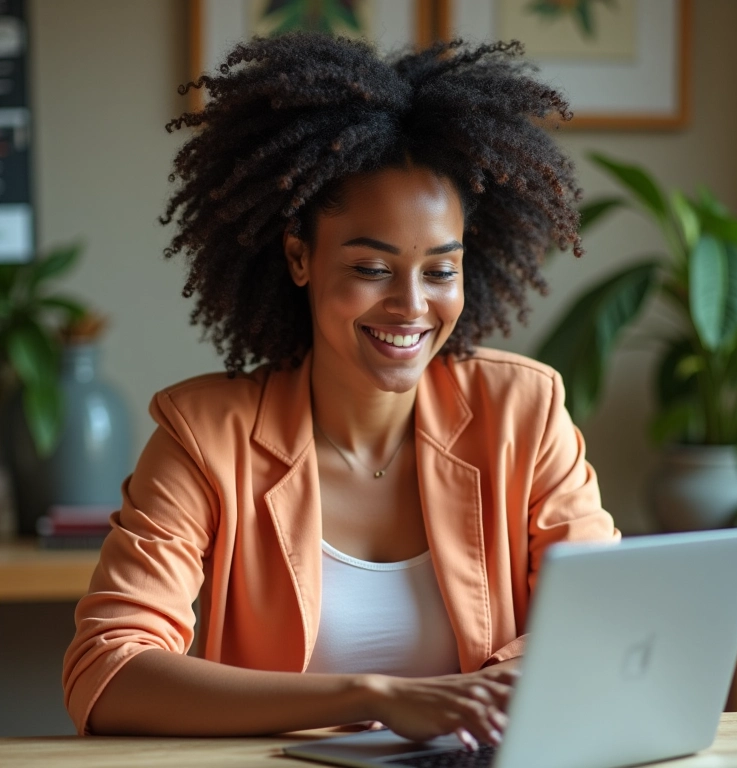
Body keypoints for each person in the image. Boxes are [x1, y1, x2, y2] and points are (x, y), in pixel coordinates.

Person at [62, 33, 619, 746]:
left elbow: (599, 626)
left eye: (440, 270)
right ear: (300, 256)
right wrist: (377, 697)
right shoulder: (207, 436)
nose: (412, 307)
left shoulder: (525, 412)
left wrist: (470, 701)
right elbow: (107, 673)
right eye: (372, 268)